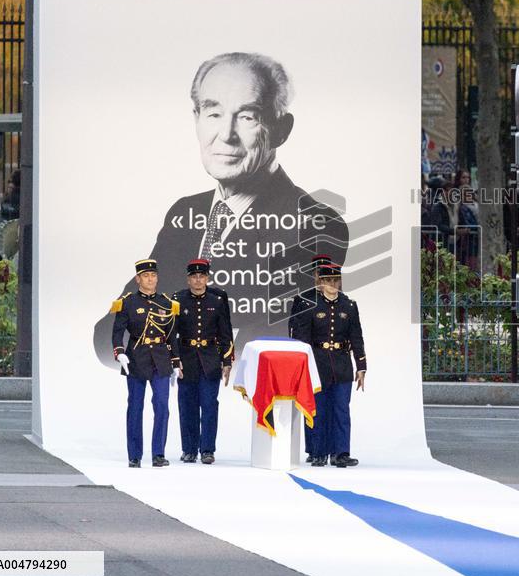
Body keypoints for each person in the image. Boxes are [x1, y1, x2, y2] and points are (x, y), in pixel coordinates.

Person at [94, 52, 349, 367]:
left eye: (248, 116)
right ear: (196, 119)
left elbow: (273, 339)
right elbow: (110, 333)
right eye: (213, 113)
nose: (225, 135)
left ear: (282, 129)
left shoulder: (316, 223)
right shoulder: (184, 213)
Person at [110, 259, 182, 468]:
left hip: (161, 359)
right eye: (146, 276)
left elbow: (172, 336)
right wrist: (120, 353)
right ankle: (135, 455)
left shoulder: (167, 303)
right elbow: (117, 332)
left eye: (153, 275)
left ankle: (158, 453)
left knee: (162, 406)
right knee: (135, 407)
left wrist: (176, 363)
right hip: (136, 359)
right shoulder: (128, 302)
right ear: (138, 279)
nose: (150, 279)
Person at [297, 262, 366, 468]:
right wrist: (304, 367)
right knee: (319, 409)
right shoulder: (310, 305)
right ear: (320, 282)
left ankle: (341, 453)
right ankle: (319, 452)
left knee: (341, 410)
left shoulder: (349, 305)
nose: (332, 284)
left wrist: (361, 366)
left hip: (343, 365)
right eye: (328, 280)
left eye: (336, 280)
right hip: (317, 364)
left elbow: (357, 337)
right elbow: (303, 339)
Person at [172, 259, 234, 465]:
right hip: (186, 359)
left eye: (202, 276)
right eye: (194, 276)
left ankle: (207, 449)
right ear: (188, 279)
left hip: (209, 360)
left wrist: (227, 361)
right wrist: (175, 360)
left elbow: (226, 333)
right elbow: (171, 334)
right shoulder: (178, 300)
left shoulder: (217, 301)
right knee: (187, 405)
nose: (198, 280)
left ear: (207, 278)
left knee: (209, 406)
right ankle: (189, 449)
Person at [289, 253, 333, 464]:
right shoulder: (303, 299)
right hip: (312, 358)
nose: (322, 276)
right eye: (319, 272)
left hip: (334, 361)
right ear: (314, 274)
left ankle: (334, 450)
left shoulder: (340, 300)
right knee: (313, 405)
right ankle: (314, 449)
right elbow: (295, 330)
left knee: (334, 408)